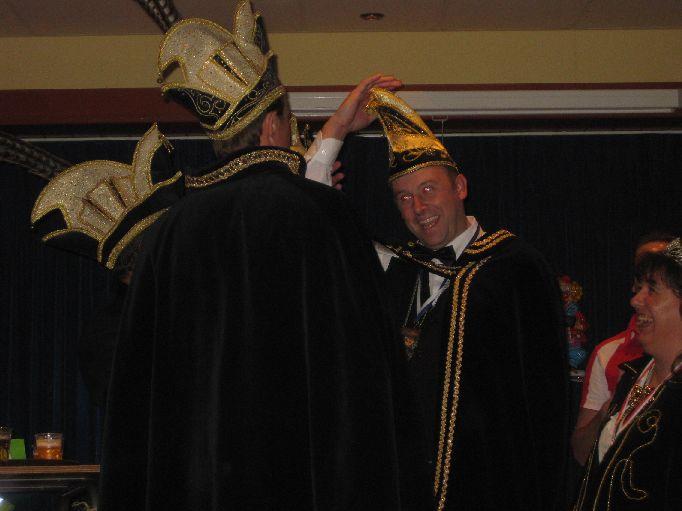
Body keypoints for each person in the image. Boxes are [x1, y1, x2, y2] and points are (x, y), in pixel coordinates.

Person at [99, 2, 425, 510]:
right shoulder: (322, 216)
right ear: (274, 126)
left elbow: (138, 397)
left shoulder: (170, 233)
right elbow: (368, 377)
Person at [307, 88, 569, 510]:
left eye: (429, 188)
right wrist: (336, 130)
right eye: (404, 197)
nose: (418, 207)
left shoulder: (515, 269)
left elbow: (545, 401)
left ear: (460, 186)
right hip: (404, 489)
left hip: (490, 492)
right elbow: (312, 228)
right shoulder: (394, 266)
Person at [573, 237, 682, 510]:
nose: (635, 300)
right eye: (639, 288)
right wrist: (607, 414)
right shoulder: (633, 374)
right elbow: (585, 457)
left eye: (652, 290)